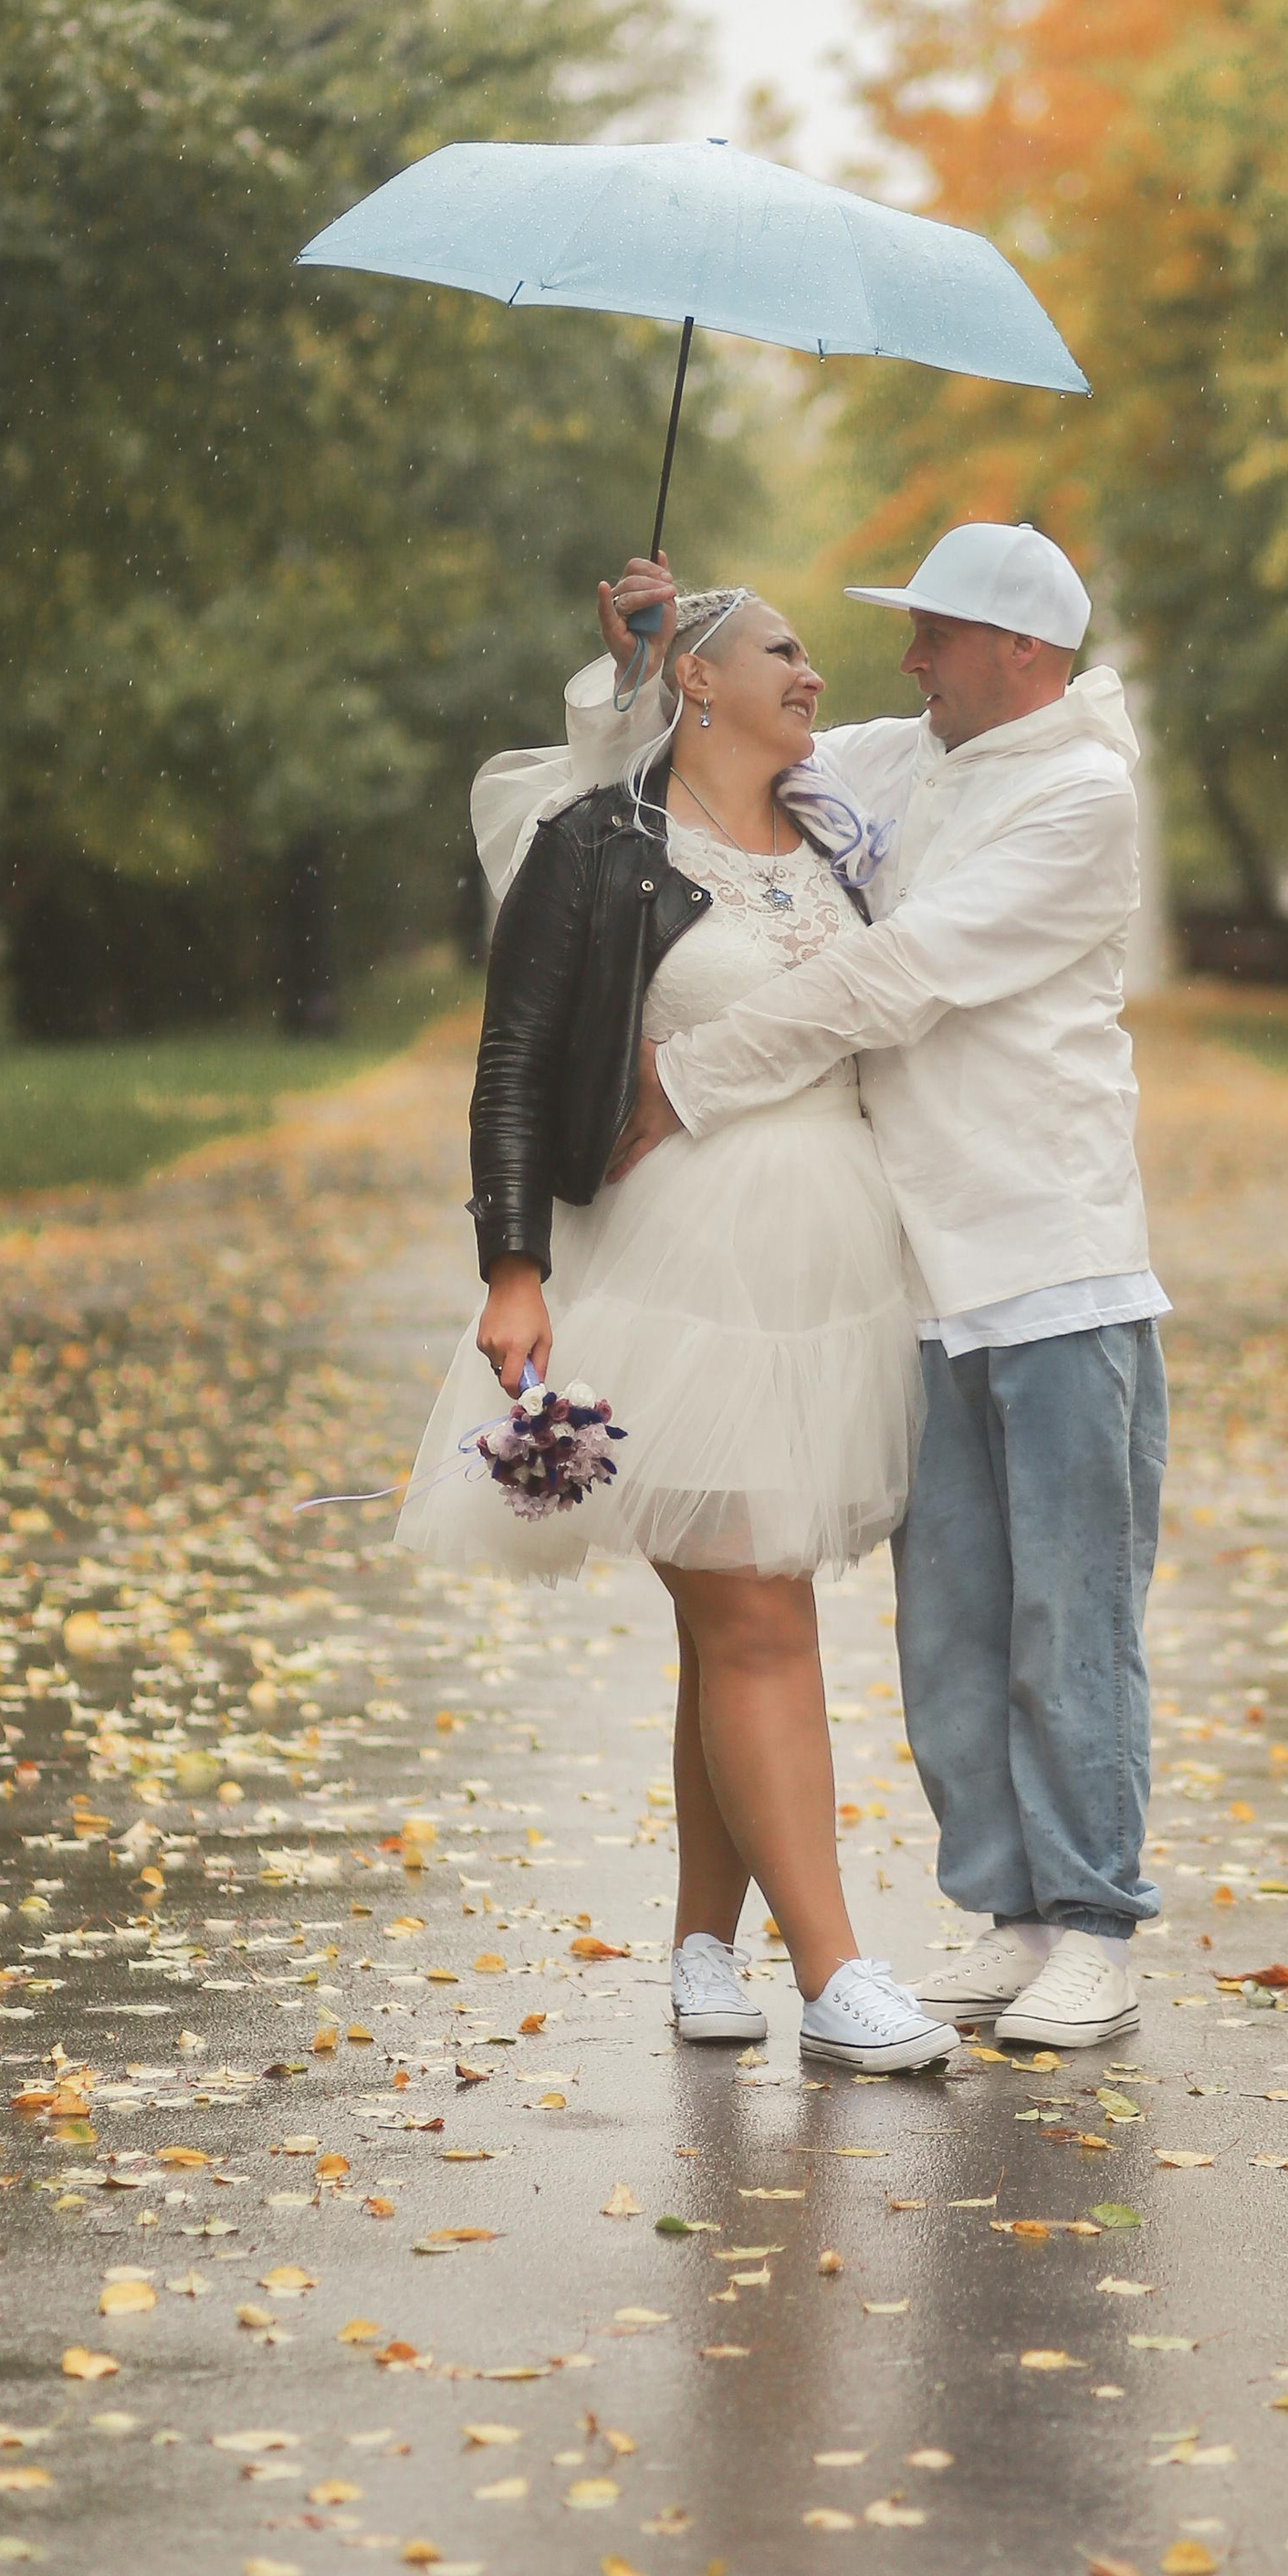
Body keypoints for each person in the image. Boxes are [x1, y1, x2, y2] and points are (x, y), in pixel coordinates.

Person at [598, 520, 1168, 2054]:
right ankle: (1013, 1913)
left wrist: (686, 1080)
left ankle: (1098, 1921)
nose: (906, 659)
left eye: (934, 634)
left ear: (1023, 654)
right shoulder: (911, 753)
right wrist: (647, 662)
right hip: (914, 1267)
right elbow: (716, 755)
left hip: (1050, 1258)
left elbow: (896, 974)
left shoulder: (1081, 797)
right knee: (957, 1618)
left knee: (1071, 1610)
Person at [395, 587, 959, 2078]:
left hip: (829, 1275)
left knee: (739, 1621)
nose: (817, 672)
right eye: (786, 651)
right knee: (762, 1617)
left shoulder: (842, 838)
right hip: (673, 1270)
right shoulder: (599, 848)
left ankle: (707, 1944)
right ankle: (834, 1974)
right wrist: (512, 1264)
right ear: (698, 682)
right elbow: (515, 1054)